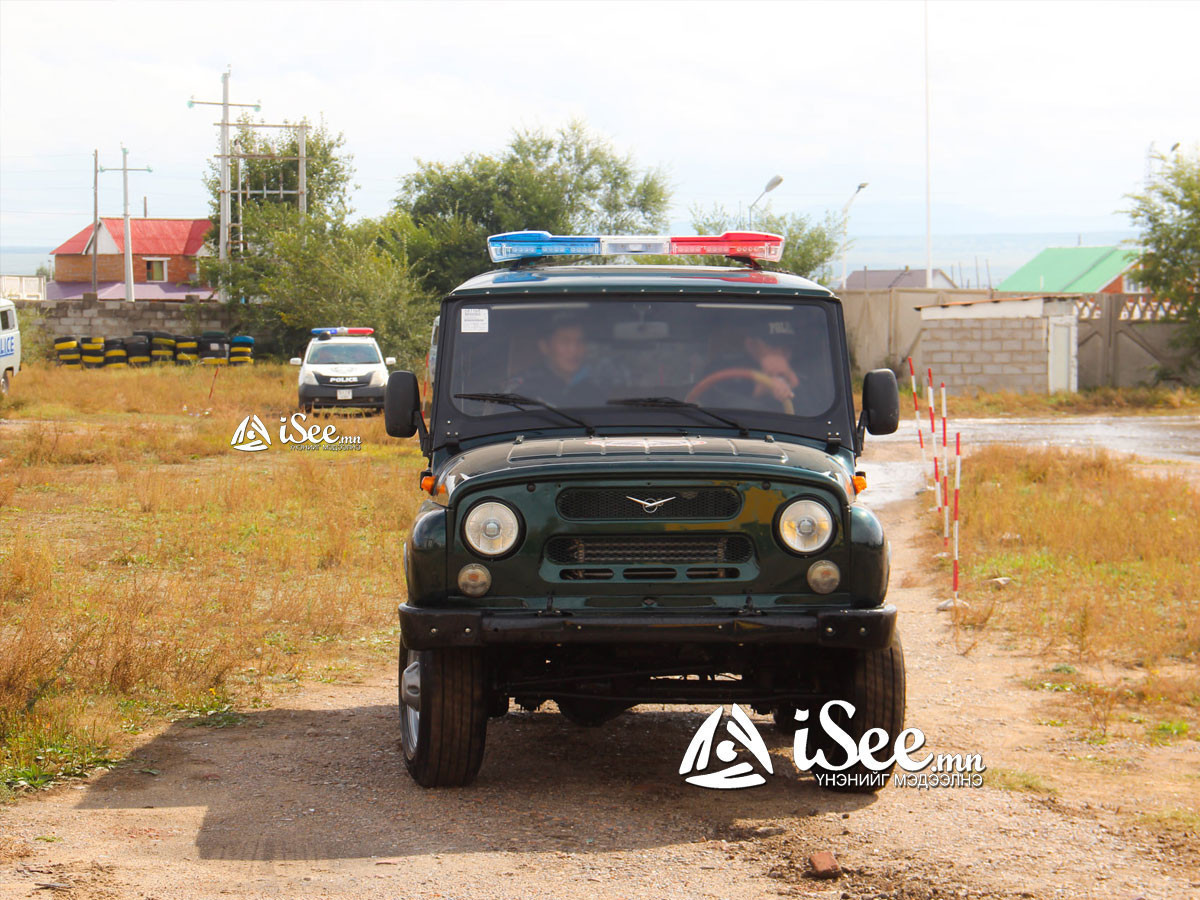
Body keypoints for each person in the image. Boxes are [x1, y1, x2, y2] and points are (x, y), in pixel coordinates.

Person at [699, 319, 802, 411]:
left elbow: (811, 421)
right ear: (751, 345)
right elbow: (710, 406)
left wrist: (795, 388)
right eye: (773, 345)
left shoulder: (803, 376)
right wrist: (759, 390)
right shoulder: (720, 369)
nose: (781, 353)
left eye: (787, 347)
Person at [506, 315, 605, 405]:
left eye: (580, 341)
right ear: (544, 346)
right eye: (565, 341)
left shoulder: (592, 390)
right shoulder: (523, 389)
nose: (574, 350)